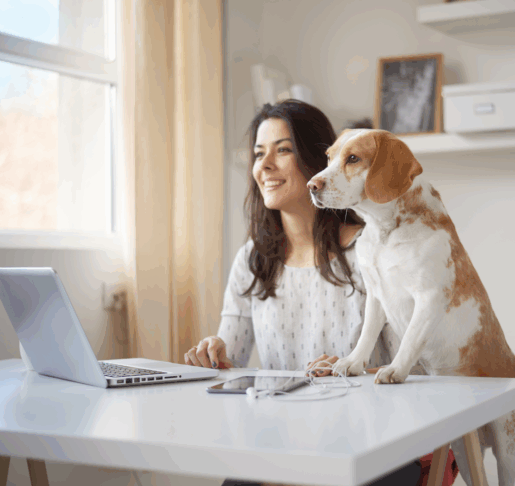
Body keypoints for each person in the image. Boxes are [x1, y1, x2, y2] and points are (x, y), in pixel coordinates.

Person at [185, 99, 455, 486]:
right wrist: (214, 353)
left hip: (373, 444)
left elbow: (414, 373)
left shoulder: (371, 252)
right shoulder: (252, 259)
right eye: (259, 154)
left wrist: (348, 371)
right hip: (280, 443)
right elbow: (233, 358)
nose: (265, 166)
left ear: (317, 161)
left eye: (283, 150)